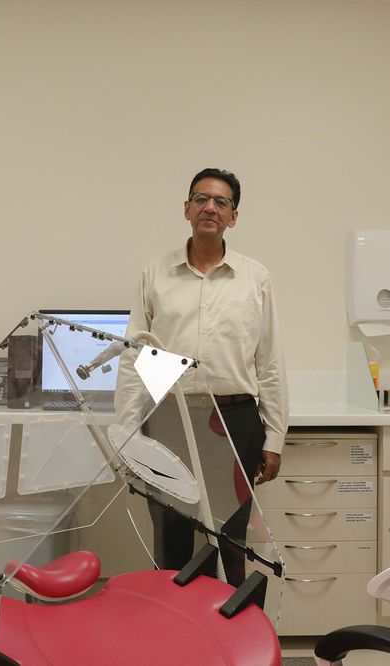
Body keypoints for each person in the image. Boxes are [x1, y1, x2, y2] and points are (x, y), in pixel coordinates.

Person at [122, 167, 288, 585]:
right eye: (201, 199)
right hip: (169, 420)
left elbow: (269, 363)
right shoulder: (155, 274)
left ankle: (229, 646)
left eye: (221, 202)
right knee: (171, 542)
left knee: (230, 542)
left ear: (233, 216)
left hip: (233, 423)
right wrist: (125, 434)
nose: (209, 207)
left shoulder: (255, 278)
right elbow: (134, 359)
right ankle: (176, 642)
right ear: (186, 209)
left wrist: (274, 438)